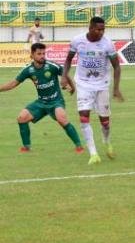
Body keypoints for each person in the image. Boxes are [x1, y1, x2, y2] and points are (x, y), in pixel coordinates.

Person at [61, 16, 124, 165]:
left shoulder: (108, 44)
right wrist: (64, 76)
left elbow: (116, 66)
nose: (101, 32)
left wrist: (116, 89)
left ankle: (107, 141)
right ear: (90, 28)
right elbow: (68, 59)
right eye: (98, 29)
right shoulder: (77, 41)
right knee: (84, 117)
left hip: (102, 85)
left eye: (103, 29)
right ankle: (93, 154)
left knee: (105, 122)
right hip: (83, 84)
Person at [0, 42, 83, 153]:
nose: (42, 56)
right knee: (21, 118)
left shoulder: (51, 66)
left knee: (61, 118)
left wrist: (72, 87)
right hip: (41, 102)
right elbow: (13, 84)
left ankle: (79, 146)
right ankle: (26, 147)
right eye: (39, 54)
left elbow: (65, 74)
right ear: (32, 55)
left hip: (56, 101)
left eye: (44, 53)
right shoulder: (28, 70)